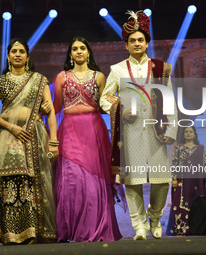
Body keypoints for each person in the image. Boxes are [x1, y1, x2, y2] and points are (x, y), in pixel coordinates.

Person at [100, 10, 178, 240]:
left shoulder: (161, 68)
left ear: (146, 42)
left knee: (161, 182)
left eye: (140, 39)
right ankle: (140, 227)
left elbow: (170, 101)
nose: (136, 43)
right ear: (126, 45)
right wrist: (121, 110)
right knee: (132, 184)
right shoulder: (117, 69)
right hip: (130, 133)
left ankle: (155, 217)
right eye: (132, 40)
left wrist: (172, 130)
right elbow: (105, 98)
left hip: (157, 131)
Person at [0, 38, 58, 245]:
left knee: (36, 180)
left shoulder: (40, 80)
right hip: (10, 136)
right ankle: (11, 233)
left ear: (27, 56)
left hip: (35, 134)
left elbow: (50, 110)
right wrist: (12, 127)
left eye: (21, 51)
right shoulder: (0, 81)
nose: (17, 54)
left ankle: (36, 231)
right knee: (11, 180)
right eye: (13, 51)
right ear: (8, 56)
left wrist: (53, 140)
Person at [51, 36, 123, 242]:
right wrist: (42, 113)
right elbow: (56, 109)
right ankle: (70, 230)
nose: (79, 51)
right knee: (71, 180)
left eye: (83, 48)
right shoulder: (62, 77)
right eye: (75, 48)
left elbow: (103, 107)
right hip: (70, 131)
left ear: (88, 52)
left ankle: (96, 228)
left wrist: (117, 104)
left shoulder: (100, 77)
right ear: (70, 54)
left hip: (94, 131)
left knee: (94, 181)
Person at [166, 126, 206, 236]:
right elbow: (174, 164)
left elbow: (205, 164)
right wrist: (174, 178)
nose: (188, 133)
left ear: (195, 134)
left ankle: (199, 229)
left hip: (198, 181)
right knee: (180, 204)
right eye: (186, 131)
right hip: (182, 180)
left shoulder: (200, 148)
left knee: (198, 203)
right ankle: (182, 230)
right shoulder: (178, 148)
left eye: (191, 131)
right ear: (183, 135)